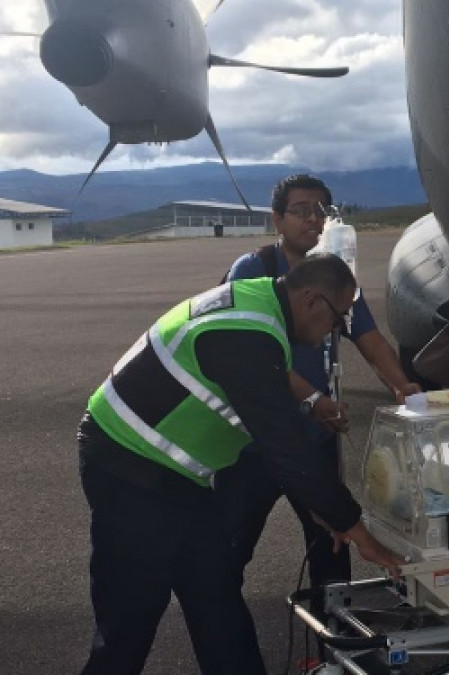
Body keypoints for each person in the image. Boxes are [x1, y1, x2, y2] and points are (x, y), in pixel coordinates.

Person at [77, 255, 402, 675]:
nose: (333, 332)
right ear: (311, 300)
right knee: (131, 617)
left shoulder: (260, 307)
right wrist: (355, 528)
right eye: (337, 319)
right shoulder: (245, 332)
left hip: (177, 477)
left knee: (216, 596)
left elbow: (274, 403)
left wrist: (325, 503)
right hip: (126, 467)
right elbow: (285, 446)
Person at [214, 174, 420, 626]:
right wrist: (312, 398)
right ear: (277, 219)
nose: (313, 219)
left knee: (330, 538)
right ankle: (217, 617)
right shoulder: (253, 270)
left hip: (314, 438)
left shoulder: (336, 277)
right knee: (231, 541)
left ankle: (335, 631)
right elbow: (253, 358)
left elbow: (367, 336)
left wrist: (404, 387)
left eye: (322, 210)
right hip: (255, 442)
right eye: (301, 209)